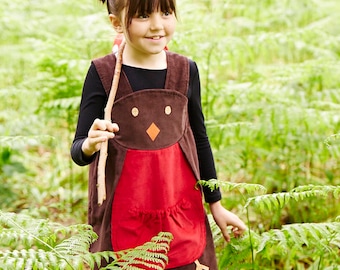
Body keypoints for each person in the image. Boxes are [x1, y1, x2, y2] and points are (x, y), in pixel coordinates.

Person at [71, 0, 246, 269]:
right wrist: (90, 144)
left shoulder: (186, 70)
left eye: (165, 12)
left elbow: (199, 139)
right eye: (142, 15)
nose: (157, 25)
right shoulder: (102, 73)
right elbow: (78, 150)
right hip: (123, 220)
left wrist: (216, 204)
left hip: (181, 213)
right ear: (116, 23)